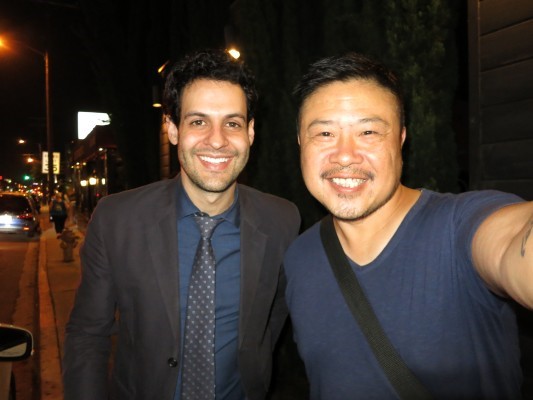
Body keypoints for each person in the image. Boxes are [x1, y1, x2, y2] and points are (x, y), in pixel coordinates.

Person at [283, 52, 533, 399]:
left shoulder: (459, 226)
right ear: (301, 142)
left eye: (368, 132)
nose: (345, 155)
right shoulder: (299, 256)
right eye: (324, 133)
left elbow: (513, 244)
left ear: (400, 139)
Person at [62, 49, 301, 400]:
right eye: (198, 122)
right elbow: (88, 333)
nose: (217, 140)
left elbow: (272, 320)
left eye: (232, 123)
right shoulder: (117, 219)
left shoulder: (282, 221)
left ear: (250, 132)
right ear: (173, 129)